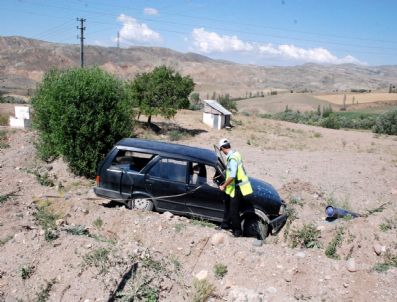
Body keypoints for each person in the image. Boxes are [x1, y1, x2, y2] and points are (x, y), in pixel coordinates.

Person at [218, 138, 253, 237]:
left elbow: (232, 176)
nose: (222, 152)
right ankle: (225, 225)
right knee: (227, 206)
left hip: (237, 189)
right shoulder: (236, 154)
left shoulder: (232, 159)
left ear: (222, 148)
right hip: (233, 188)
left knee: (234, 211)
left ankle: (237, 232)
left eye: (221, 150)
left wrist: (223, 186)